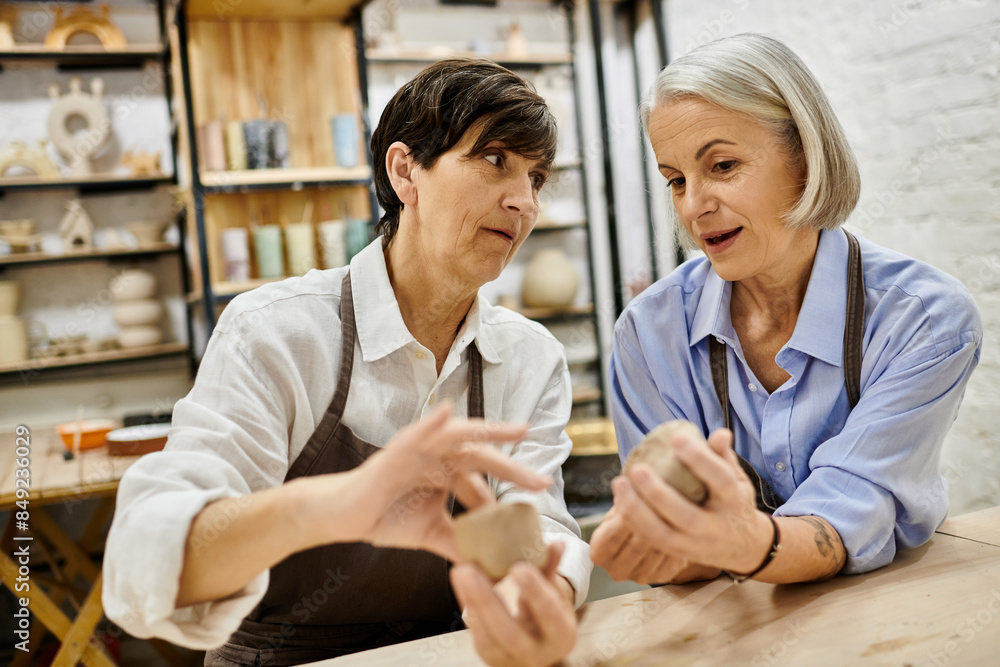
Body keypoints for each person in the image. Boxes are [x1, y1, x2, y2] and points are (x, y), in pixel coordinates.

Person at [103, 58, 589, 667]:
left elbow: (542, 525)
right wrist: (340, 504)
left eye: (537, 178)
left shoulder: (531, 357)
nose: (523, 202)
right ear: (405, 170)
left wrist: (540, 586)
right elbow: (144, 558)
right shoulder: (275, 332)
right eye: (495, 161)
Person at [591, 33, 982, 587]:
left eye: (722, 166)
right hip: (735, 624)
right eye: (676, 180)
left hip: (888, 604)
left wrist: (742, 539)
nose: (694, 205)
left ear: (806, 156)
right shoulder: (650, 334)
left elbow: (853, 506)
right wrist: (664, 547)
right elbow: (681, 544)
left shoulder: (924, 320)